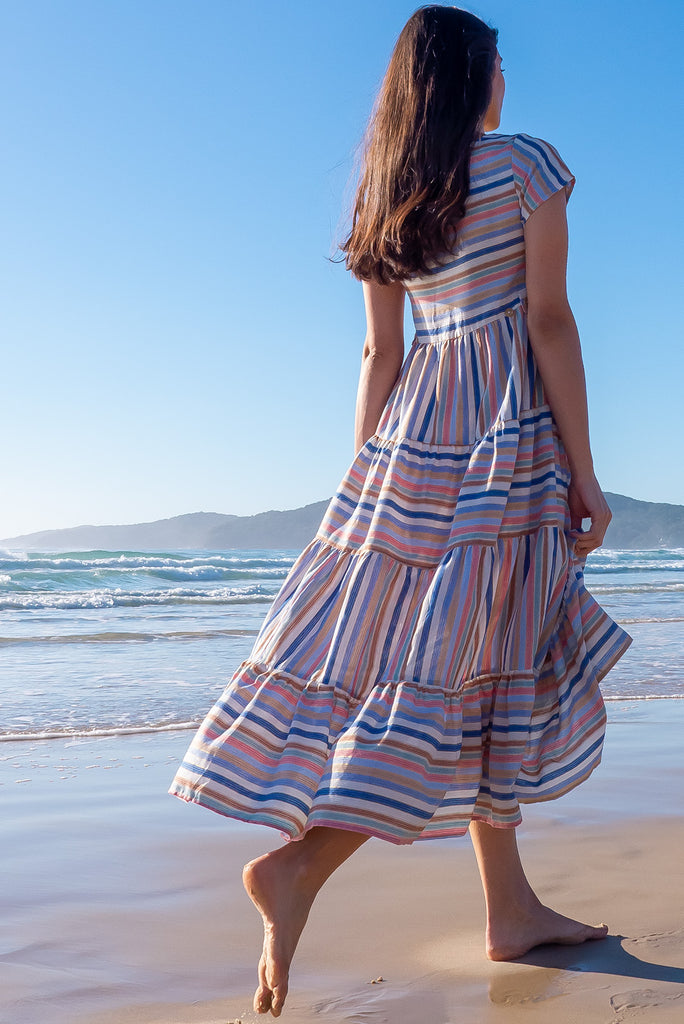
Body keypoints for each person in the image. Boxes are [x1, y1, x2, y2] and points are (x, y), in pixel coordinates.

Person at [170, 5, 632, 1017]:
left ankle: (508, 909)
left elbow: (380, 355)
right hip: (502, 440)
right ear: (474, 80)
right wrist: (587, 474)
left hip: (408, 451)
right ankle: (300, 866)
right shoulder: (525, 166)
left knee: (468, 663)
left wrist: (366, 485)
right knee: (469, 666)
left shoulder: (387, 195)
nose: (506, 79)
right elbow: (549, 322)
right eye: (499, 64)